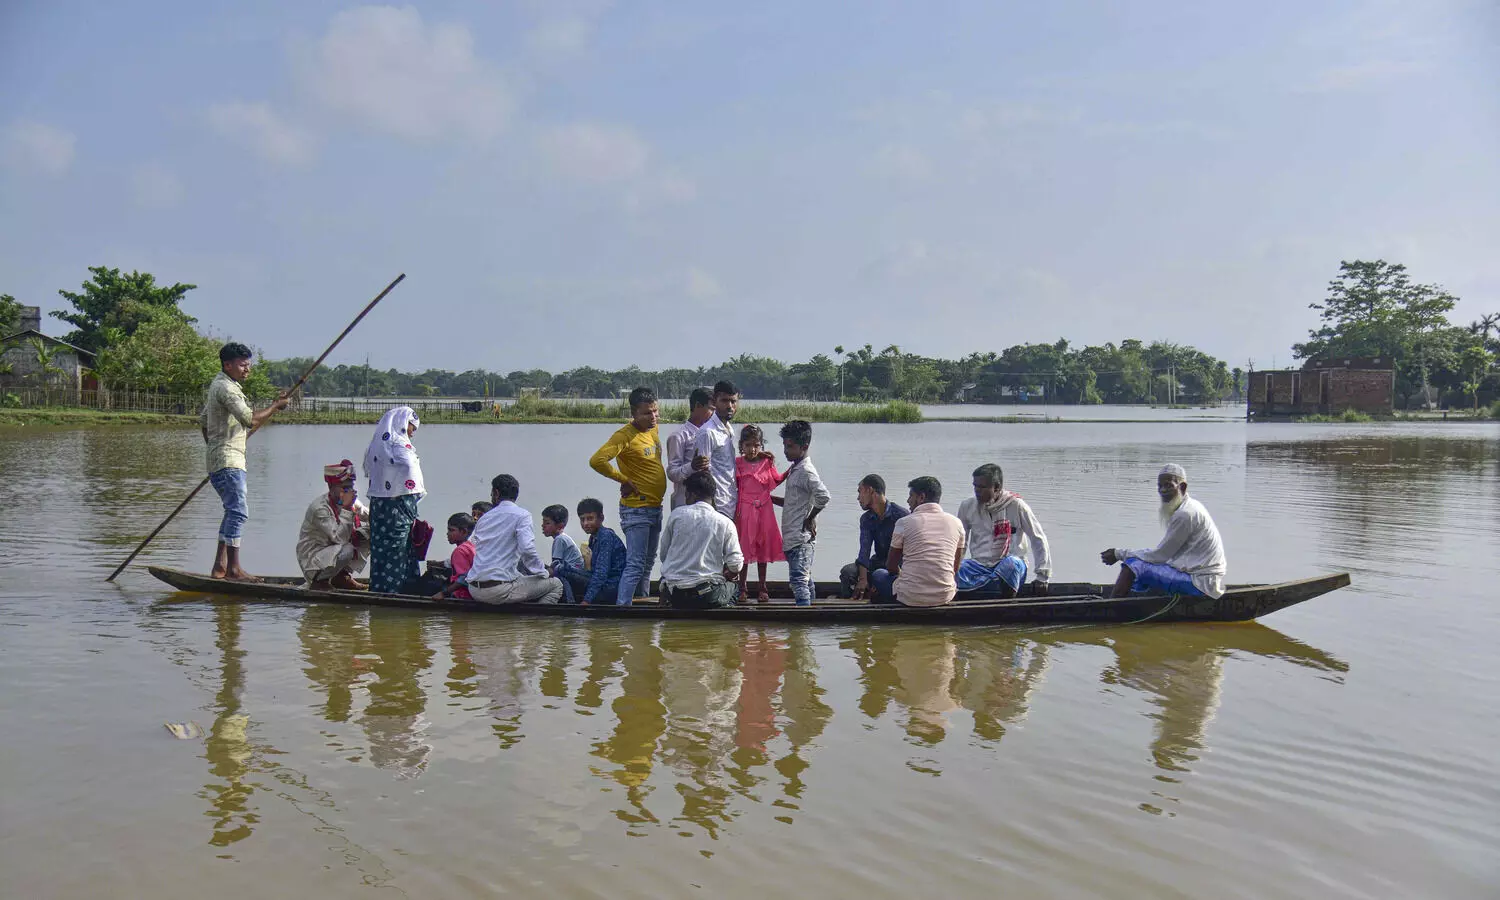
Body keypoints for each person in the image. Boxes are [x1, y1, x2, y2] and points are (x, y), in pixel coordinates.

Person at [199, 341, 288, 581]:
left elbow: (204, 421)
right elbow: (250, 419)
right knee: (238, 513)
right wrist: (275, 406)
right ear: (227, 365)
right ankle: (234, 569)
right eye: (242, 365)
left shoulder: (220, 384)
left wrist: (217, 445)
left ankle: (220, 567)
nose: (247, 369)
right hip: (229, 461)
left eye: (248, 365)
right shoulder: (226, 388)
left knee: (232, 511)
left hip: (222, 458)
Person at [589, 386, 666, 605]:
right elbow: (597, 461)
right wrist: (622, 479)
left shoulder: (653, 429)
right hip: (636, 509)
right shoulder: (624, 436)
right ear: (634, 413)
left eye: (655, 411)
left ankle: (641, 600)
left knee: (648, 562)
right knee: (635, 564)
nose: (653, 416)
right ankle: (623, 608)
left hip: (655, 507)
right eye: (647, 413)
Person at [1100, 464, 1227, 599]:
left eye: (1168, 485)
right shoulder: (1189, 506)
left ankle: (1112, 606)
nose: (1162, 490)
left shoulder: (1185, 514)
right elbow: (1163, 556)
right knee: (1142, 571)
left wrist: (1119, 554)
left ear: (1182, 487)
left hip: (1200, 584)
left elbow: (1160, 556)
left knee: (1133, 565)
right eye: (1160, 486)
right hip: (1204, 580)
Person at [955, 463, 1053, 599]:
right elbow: (960, 543)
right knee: (954, 571)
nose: (977, 490)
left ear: (997, 487)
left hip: (1009, 564)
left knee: (1010, 565)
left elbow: (1038, 538)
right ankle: (983, 589)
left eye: (982, 487)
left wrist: (1042, 576)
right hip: (979, 565)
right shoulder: (967, 506)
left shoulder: (1016, 505)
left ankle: (1005, 601)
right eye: (975, 486)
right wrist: (953, 569)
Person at [466, 474, 563, 605]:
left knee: (520, 577)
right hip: (498, 590)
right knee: (556, 584)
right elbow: (527, 549)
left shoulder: (484, 519)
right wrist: (544, 572)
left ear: (496, 493)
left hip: (474, 589)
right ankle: (537, 618)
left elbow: (474, 547)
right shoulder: (522, 515)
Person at [659, 471, 744, 609]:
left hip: (675, 594)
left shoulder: (676, 515)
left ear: (693, 494)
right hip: (707, 595)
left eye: (686, 494)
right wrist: (729, 573)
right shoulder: (725, 522)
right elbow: (736, 565)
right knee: (734, 588)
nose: (685, 498)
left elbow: (664, 555)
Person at [364, 406, 426, 593]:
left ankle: (379, 587)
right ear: (402, 423)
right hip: (398, 505)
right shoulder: (399, 444)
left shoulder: (377, 445)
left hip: (379, 503)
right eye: (412, 427)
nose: (412, 433)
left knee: (380, 547)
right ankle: (397, 590)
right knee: (398, 547)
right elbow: (409, 467)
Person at [773, 419, 831, 606]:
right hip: (792, 538)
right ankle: (811, 611)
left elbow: (824, 496)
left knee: (798, 581)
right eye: (784, 445)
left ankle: (803, 616)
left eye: (789, 446)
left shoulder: (806, 471)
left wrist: (810, 517)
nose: (785, 450)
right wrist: (769, 499)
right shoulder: (795, 469)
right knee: (805, 579)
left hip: (801, 539)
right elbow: (793, 503)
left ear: (804, 447)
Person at [888, 476, 966, 607]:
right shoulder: (957, 523)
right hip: (944, 596)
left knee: (879, 575)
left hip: (910, 597)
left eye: (911, 496)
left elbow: (891, 566)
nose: (908, 500)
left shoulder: (903, 523)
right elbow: (955, 567)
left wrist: (903, 575)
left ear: (921, 497)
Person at [295, 459, 369, 590]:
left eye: (351, 487)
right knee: (348, 549)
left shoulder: (351, 501)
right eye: (344, 488)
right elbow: (339, 538)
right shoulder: (320, 508)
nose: (349, 491)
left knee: (370, 532)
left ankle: (341, 577)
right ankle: (319, 581)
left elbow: (367, 515)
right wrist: (347, 510)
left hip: (333, 552)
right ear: (331, 487)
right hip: (313, 558)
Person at [733, 424, 786, 602]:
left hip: (764, 509)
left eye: (756, 445)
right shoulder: (737, 463)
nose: (752, 449)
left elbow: (775, 481)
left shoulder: (766, 462)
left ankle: (763, 587)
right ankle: (742, 588)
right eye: (748, 445)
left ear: (761, 445)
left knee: (763, 547)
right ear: (741, 445)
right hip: (745, 510)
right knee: (744, 548)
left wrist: (790, 469)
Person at [839, 474, 908, 603]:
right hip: (878, 563)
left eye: (860, 491)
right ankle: (851, 608)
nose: (858, 498)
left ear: (870, 490)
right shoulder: (866, 519)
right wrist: (863, 579)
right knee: (848, 572)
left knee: (883, 579)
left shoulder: (901, 516)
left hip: (897, 568)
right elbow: (864, 551)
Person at [693, 380, 740, 519]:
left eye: (733, 401)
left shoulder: (729, 429)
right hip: (716, 506)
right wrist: (711, 506)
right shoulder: (707, 432)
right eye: (724, 401)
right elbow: (702, 473)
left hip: (730, 501)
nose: (730, 406)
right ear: (714, 401)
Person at [667, 387, 715, 509]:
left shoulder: (712, 434)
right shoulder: (678, 436)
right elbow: (672, 474)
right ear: (698, 406)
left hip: (708, 503)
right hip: (684, 503)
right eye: (711, 409)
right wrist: (692, 467)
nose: (714, 415)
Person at [576, 497, 627, 605]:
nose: (585, 523)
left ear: (601, 518)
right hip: (605, 584)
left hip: (612, 586)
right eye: (582, 519)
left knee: (564, 571)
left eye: (590, 518)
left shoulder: (605, 536)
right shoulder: (593, 538)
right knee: (563, 569)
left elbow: (601, 573)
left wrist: (587, 600)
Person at [542, 504, 587, 603]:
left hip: (573, 572)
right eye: (543, 522)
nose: (543, 525)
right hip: (574, 571)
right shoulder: (562, 538)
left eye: (547, 523)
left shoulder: (559, 539)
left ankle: (569, 601)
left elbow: (555, 566)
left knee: (559, 574)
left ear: (560, 526)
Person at [432, 513, 476, 600]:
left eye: (451, 530)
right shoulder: (471, 547)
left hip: (462, 596)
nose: (447, 533)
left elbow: (464, 578)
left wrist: (444, 593)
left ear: (463, 532)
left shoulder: (460, 551)